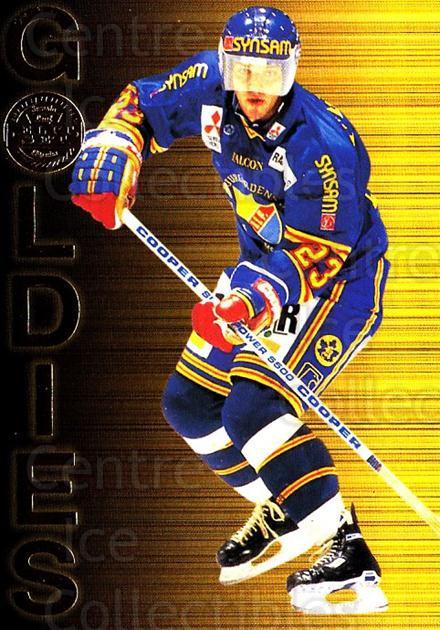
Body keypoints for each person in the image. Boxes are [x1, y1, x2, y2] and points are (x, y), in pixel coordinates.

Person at [70, 6, 390, 614]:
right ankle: (285, 504)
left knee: (254, 406)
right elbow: (141, 105)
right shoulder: (209, 86)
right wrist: (116, 151)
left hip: (335, 284)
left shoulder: (322, 146)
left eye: (270, 74)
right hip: (259, 271)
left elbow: (318, 253)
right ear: (224, 64)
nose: (254, 88)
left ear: (292, 72)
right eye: (243, 70)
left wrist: (251, 300)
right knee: (189, 404)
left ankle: (346, 550)